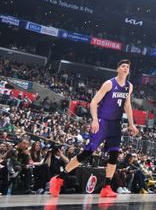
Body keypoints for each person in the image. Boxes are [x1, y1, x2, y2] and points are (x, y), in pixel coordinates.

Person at [50, 59, 138, 198]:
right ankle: (59, 178)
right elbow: (94, 102)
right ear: (118, 69)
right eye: (123, 66)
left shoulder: (129, 86)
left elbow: (127, 105)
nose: (125, 68)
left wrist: (131, 124)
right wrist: (95, 120)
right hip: (103, 122)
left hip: (116, 124)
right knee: (88, 152)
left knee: (114, 155)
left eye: (128, 67)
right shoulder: (109, 83)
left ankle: (107, 187)